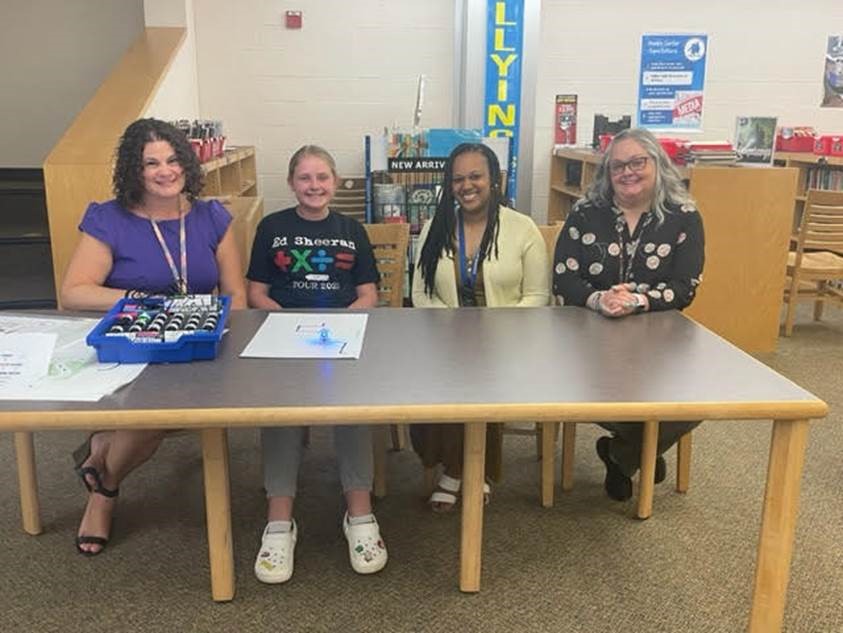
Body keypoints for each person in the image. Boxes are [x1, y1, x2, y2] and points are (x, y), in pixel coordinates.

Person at [61, 118, 247, 555]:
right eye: (151, 163)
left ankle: (103, 467)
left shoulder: (212, 216)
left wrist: (224, 337)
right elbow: (74, 291)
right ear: (134, 170)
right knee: (158, 410)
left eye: (173, 159)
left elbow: (236, 293)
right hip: (133, 343)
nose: (166, 171)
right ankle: (104, 493)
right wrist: (141, 299)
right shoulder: (109, 219)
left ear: (187, 163)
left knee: (168, 406)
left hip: (197, 345)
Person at [246, 145, 386, 584]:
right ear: (291, 183)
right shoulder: (272, 227)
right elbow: (256, 291)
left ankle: (359, 515)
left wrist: (345, 325)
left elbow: (368, 293)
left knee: (351, 406)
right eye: (305, 178)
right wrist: (283, 323)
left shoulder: (352, 229)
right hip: (283, 334)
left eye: (322, 177)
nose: (314, 186)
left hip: (340, 335)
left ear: (336, 182)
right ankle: (279, 520)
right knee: (281, 409)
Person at [552, 127, 705, 502]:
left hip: (659, 341)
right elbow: (563, 276)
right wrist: (599, 299)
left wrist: (638, 300)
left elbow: (686, 286)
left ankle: (622, 453)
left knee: (699, 399)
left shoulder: (684, 216)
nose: (627, 172)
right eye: (617, 165)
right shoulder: (586, 212)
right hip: (589, 338)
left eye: (637, 162)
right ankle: (646, 447)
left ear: (657, 164)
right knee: (581, 389)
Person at [411, 142, 549, 512]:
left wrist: (495, 331)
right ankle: (471, 467)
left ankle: (459, 472)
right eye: (458, 179)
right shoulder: (434, 227)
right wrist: (451, 331)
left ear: (494, 180)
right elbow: (421, 293)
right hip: (444, 339)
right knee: (428, 384)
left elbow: (538, 296)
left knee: (480, 377)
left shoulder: (522, 229)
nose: (466, 185)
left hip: (510, 340)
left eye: (475, 176)